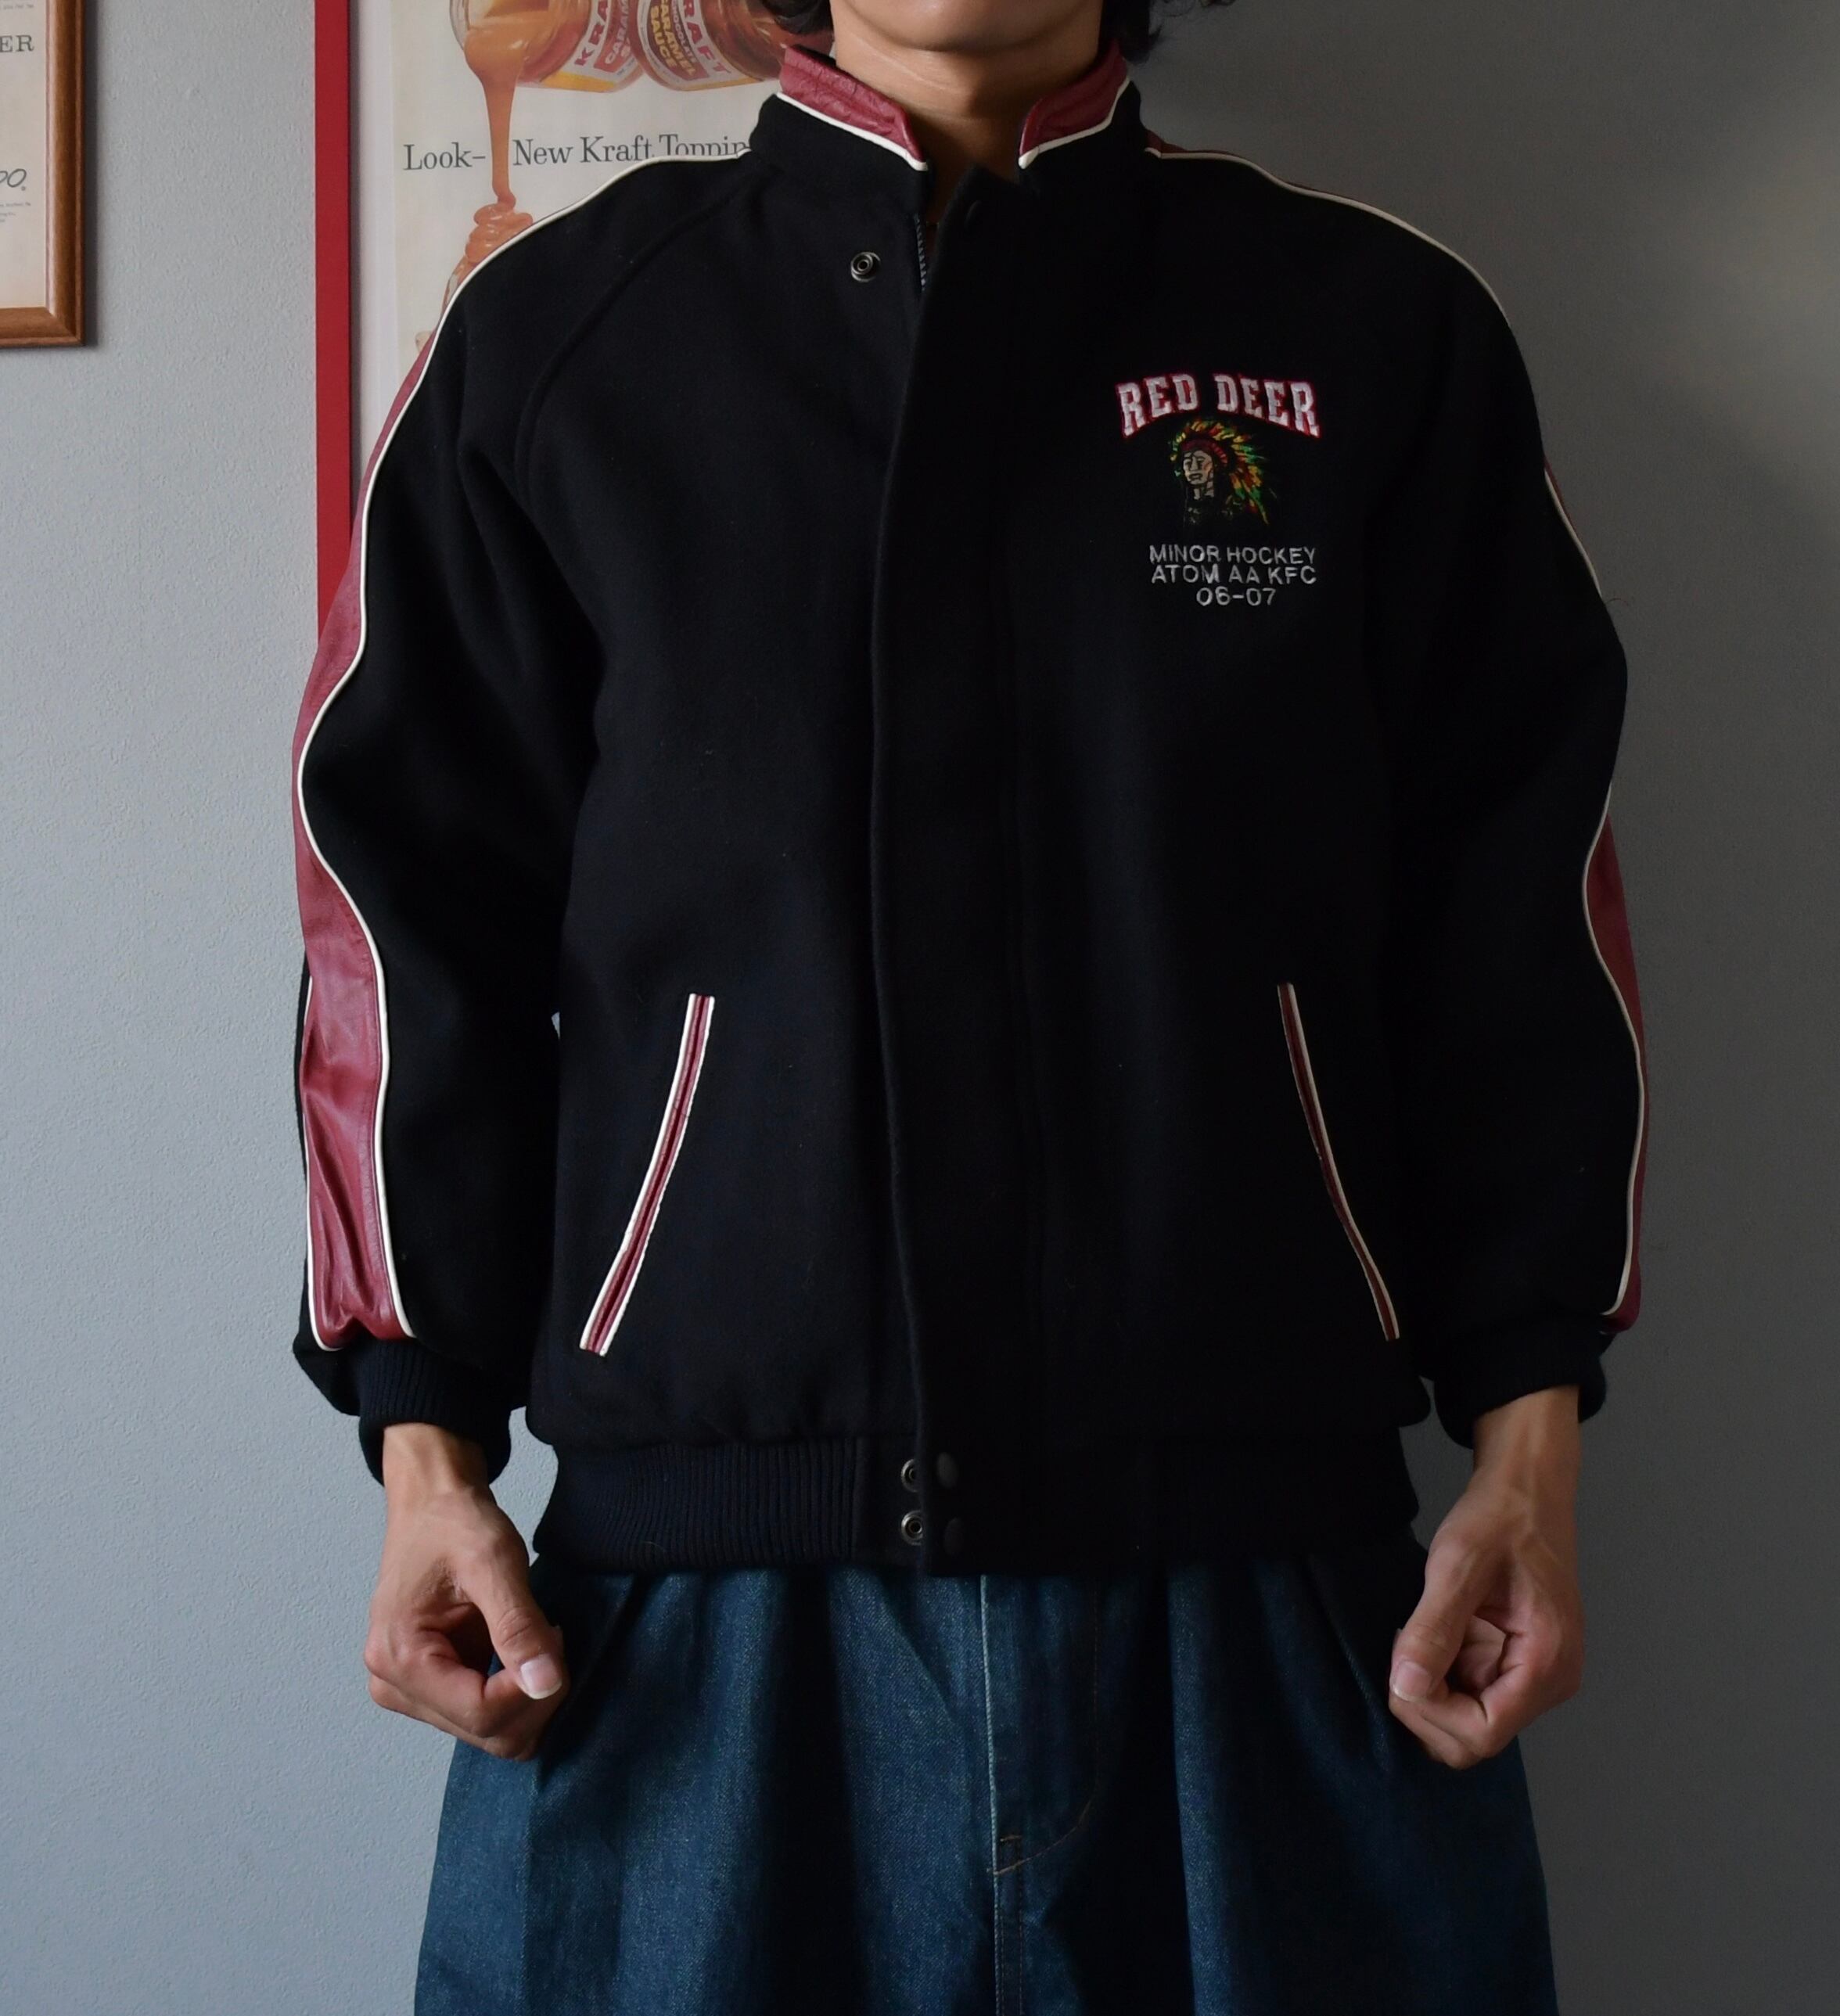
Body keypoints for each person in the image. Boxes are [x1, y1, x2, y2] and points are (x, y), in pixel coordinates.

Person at [289, 1, 1648, 2008]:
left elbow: (1510, 916)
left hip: (1267, 1590)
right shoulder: (564, 339)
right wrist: (425, 1450)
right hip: (688, 1620)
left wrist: (1527, 1454)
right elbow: (407, 924)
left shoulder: (1368, 330)